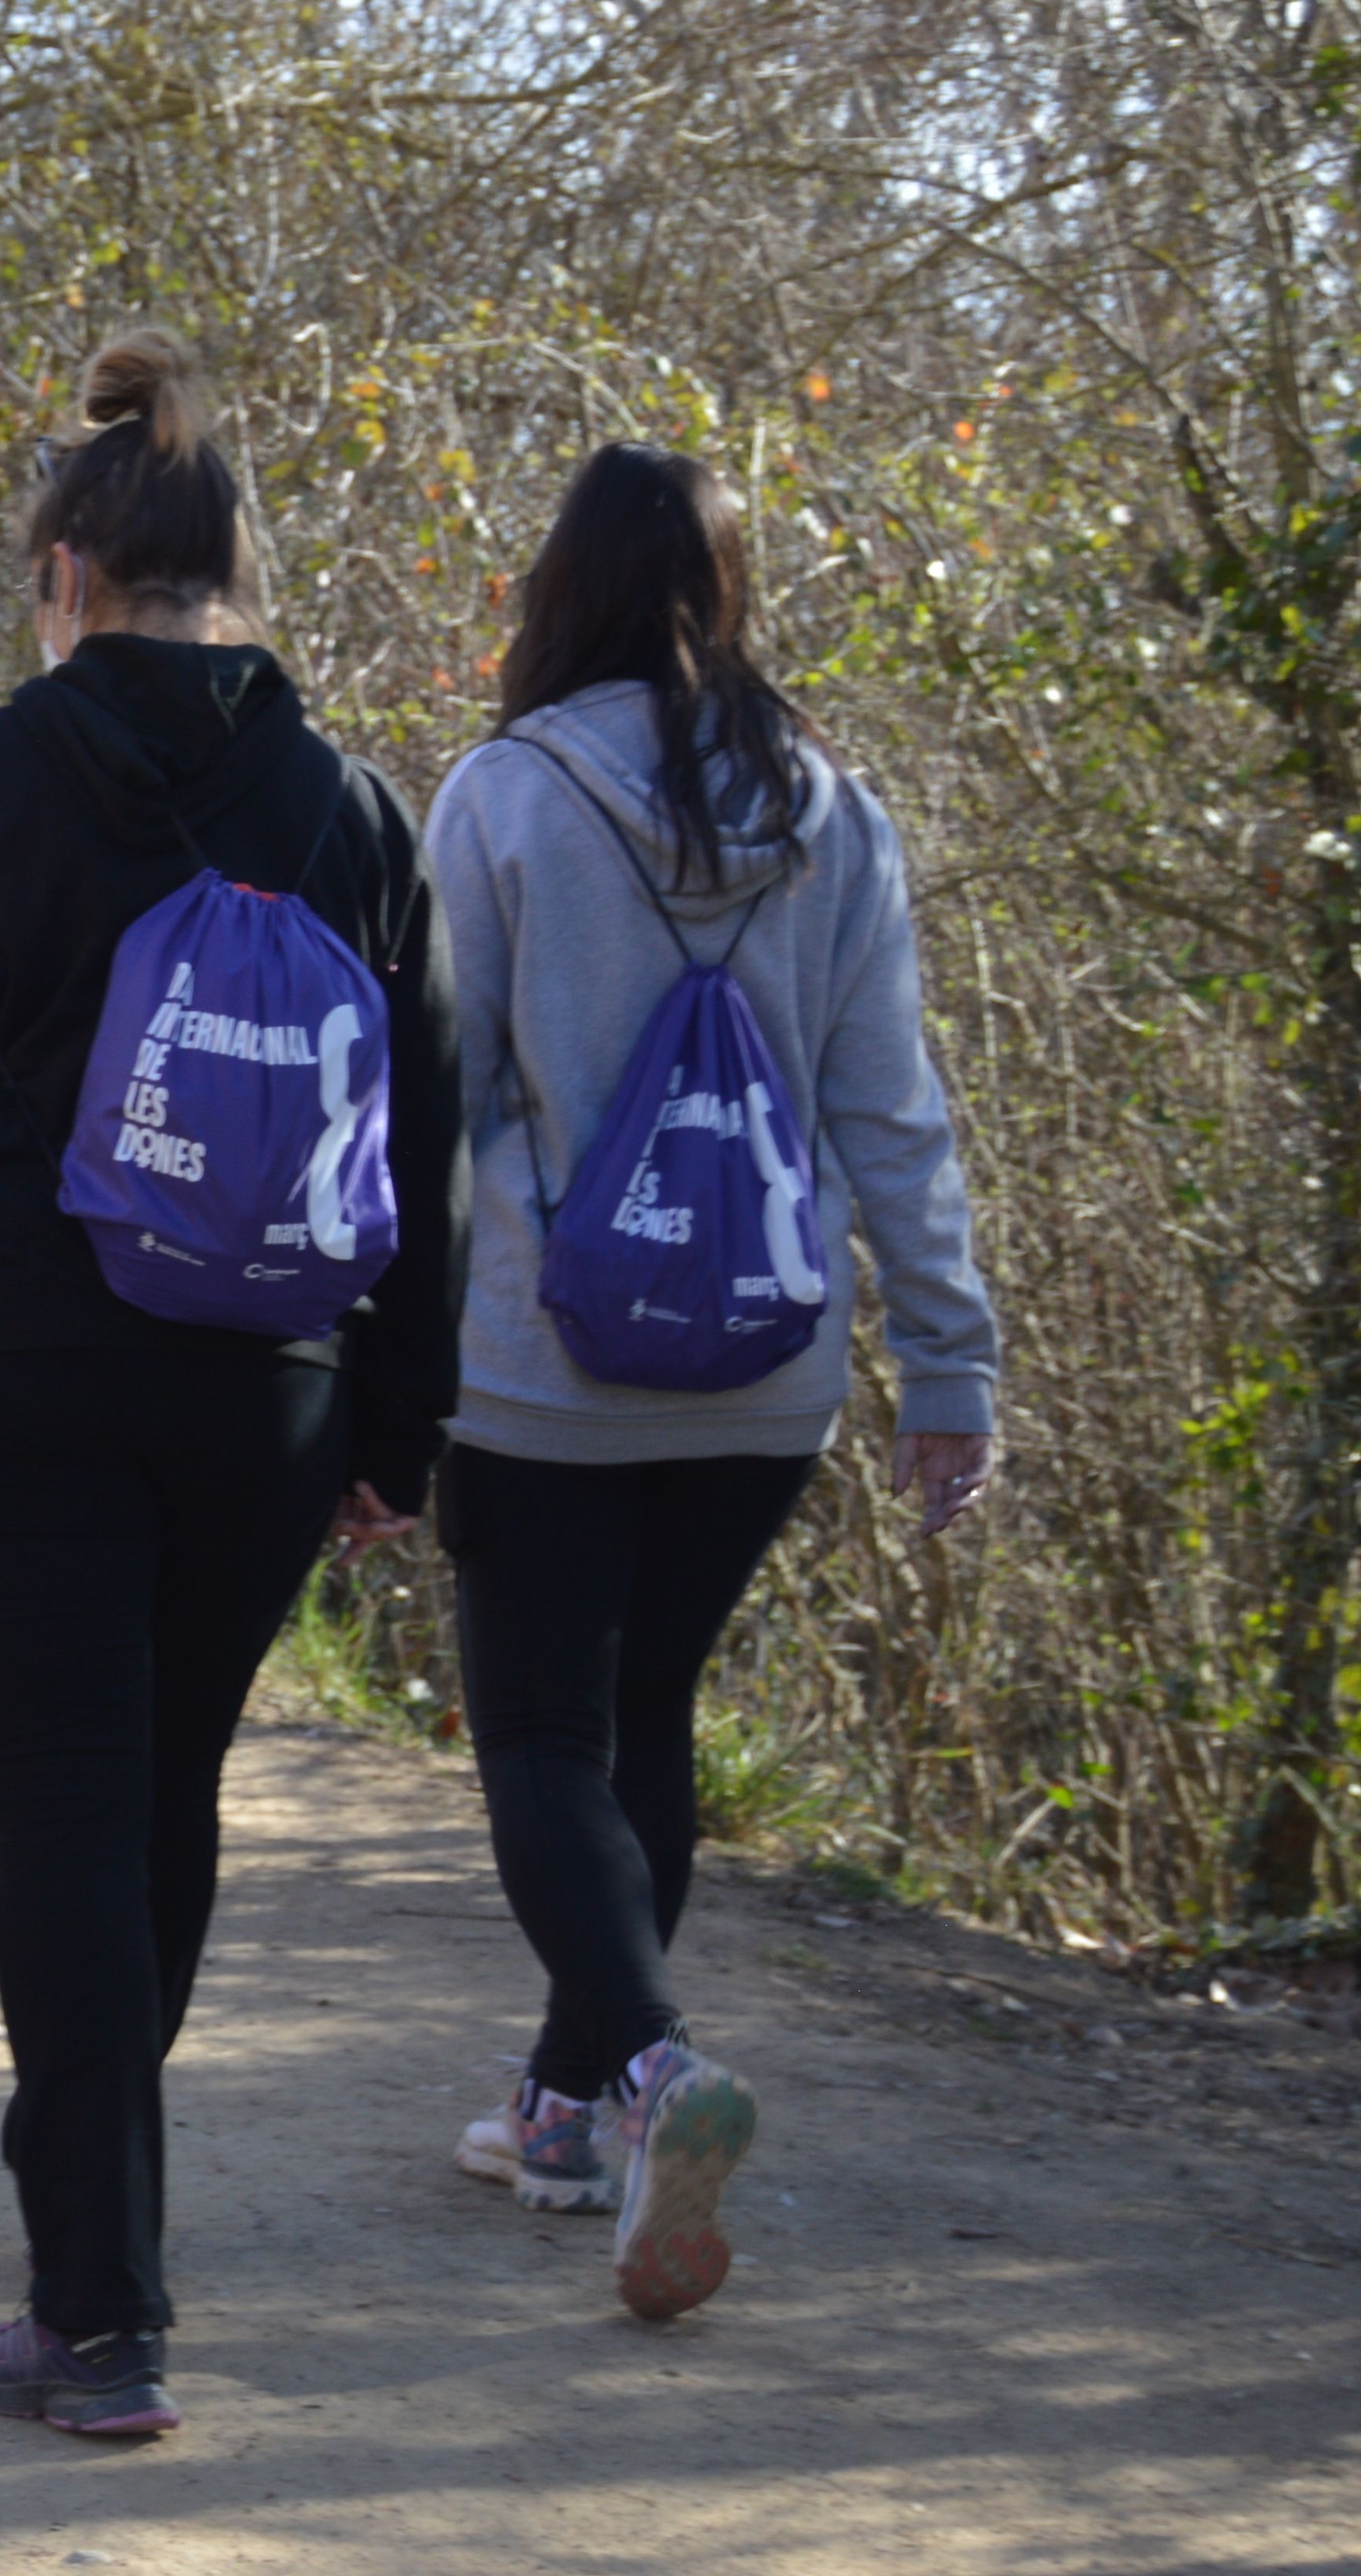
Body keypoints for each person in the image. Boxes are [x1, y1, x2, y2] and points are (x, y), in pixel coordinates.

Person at [0, 329, 459, 2442]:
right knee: (161, 1792)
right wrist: (393, 1423)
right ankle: (94, 2204)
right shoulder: (350, 808)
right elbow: (426, 1134)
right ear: (239, 578)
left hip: (18, 1355)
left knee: (61, 1804)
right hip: (271, 1380)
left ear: (64, 567)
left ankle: (99, 2305)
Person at [422, 444, 996, 2321]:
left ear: (554, 587)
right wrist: (946, 1357)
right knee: (643, 1724)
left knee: (537, 1740)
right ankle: (566, 2110)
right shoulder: (835, 810)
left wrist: (372, 1365)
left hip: (540, 1360)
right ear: (725, 595)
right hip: (766, 1362)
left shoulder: (499, 798)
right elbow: (886, 1111)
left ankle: (657, 2067)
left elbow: (445, 1111)